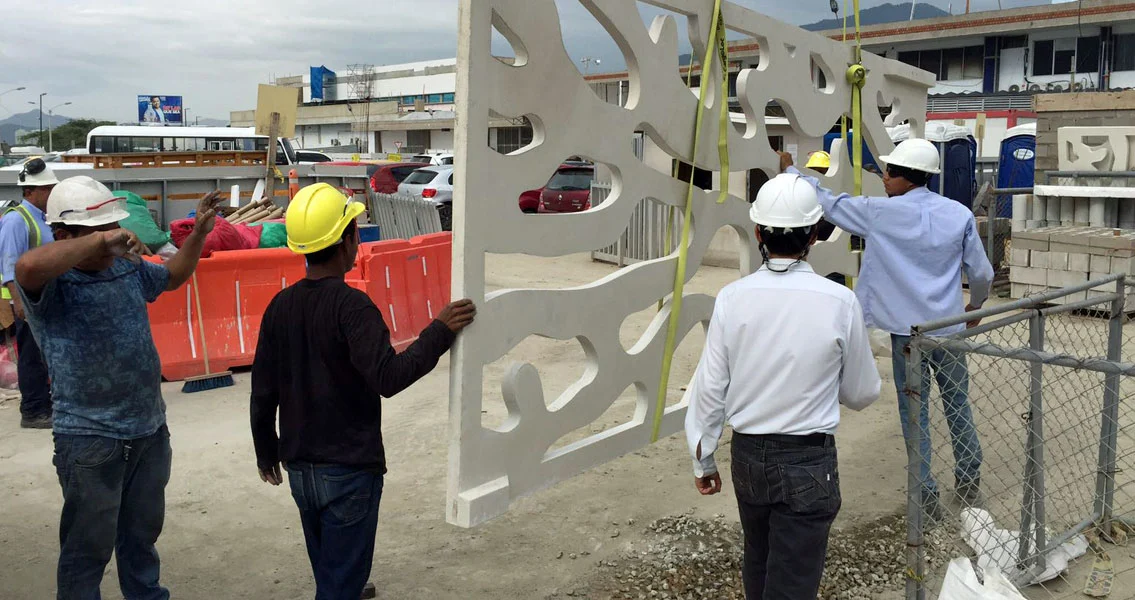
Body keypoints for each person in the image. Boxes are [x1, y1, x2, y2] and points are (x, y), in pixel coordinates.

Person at [250, 183, 476, 599]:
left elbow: (263, 391)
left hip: (300, 466)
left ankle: (343, 585)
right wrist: (440, 331)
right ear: (347, 241)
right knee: (339, 582)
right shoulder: (352, 306)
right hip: (349, 470)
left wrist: (267, 451)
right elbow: (389, 377)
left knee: (330, 566)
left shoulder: (279, 307)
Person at [15, 176, 221, 599]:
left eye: (112, 229)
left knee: (141, 540)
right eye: (99, 232)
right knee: (86, 550)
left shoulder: (126, 268)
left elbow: (173, 277)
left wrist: (198, 234)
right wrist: (102, 242)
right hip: (90, 439)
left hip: (148, 430)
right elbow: (26, 268)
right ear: (63, 235)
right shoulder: (51, 284)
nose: (111, 240)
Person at [685, 173, 881, 599]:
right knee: (792, 578)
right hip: (807, 459)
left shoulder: (732, 298)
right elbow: (862, 392)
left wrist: (703, 460)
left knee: (759, 557)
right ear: (813, 234)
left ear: (758, 232)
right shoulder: (839, 301)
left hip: (748, 456)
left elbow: (710, 388)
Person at [781, 138, 995, 518]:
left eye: (888, 172)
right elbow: (981, 271)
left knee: (916, 416)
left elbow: (829, 203)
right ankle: (968, 478)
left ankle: (926, 499)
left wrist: (793, 172)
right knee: (958, 403)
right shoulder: (958, 213)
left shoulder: (879, 213)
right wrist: (974, 305)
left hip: (907, 335)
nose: (883, 178)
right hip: (947, 328)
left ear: (905, 177)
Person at [0, 158, 56, 428]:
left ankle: (47, 403)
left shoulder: (45, 219)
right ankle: (33, 410)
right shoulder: (16, 220)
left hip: (47, 298)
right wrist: (18, 302)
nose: (51, 193)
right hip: (29, 300)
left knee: (48, 354)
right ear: (30, 191)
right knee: (32, 356)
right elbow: (9, 265)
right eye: (46, 189)